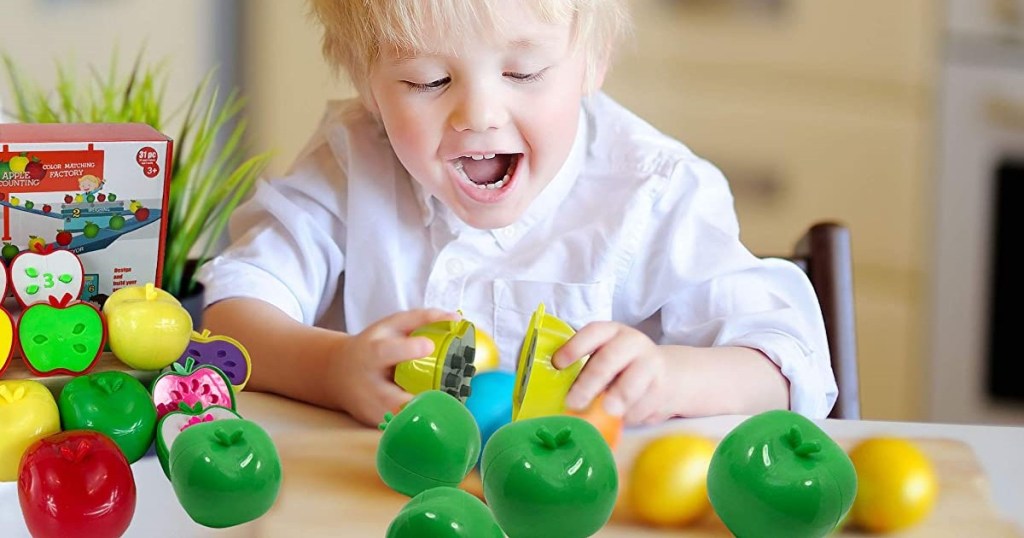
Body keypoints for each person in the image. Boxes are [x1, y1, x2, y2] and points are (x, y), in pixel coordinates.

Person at [198, 0, 838, 427]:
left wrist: (669, 378)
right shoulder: (350, 163)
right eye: (426, 81)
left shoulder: (655, 191)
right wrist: (330, 369)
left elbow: (788, 363)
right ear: (369, 87)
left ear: (593, 62)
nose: (478, 113)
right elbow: (233, 314)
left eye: (524, 72)